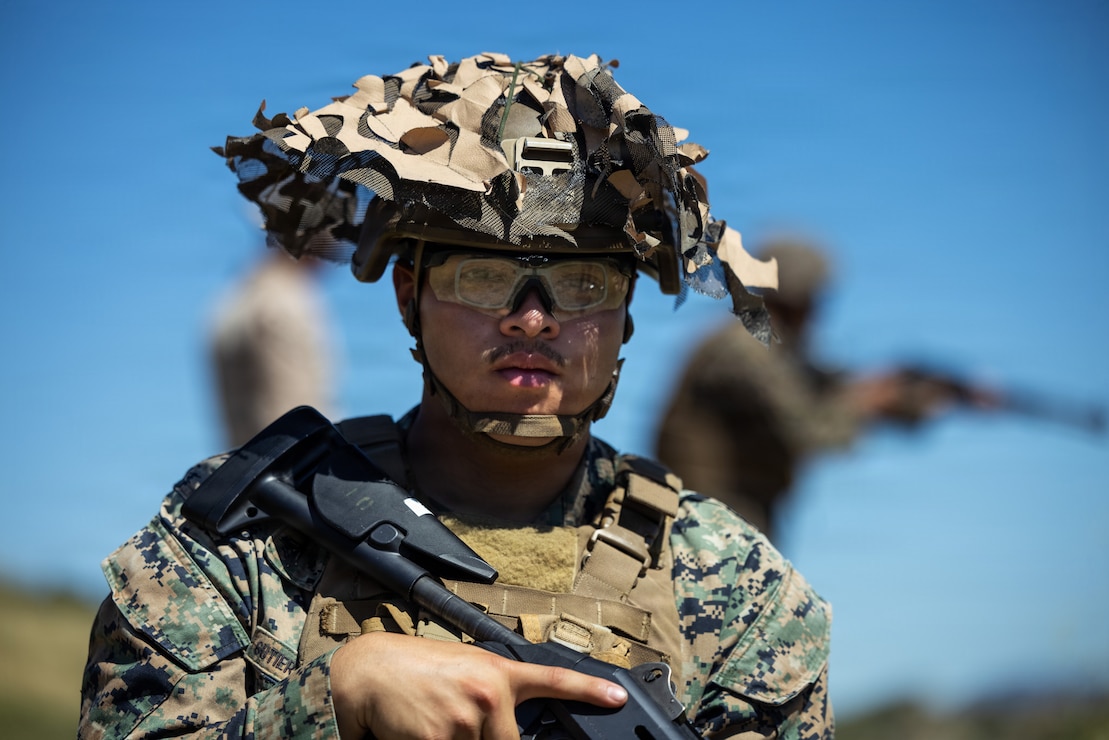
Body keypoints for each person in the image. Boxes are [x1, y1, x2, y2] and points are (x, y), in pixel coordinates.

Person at [79, 53, 832, 739]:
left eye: (580, 285)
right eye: (483, 277)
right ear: (410, 296)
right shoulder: (247, 534)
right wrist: (334, 699)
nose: (532, 318)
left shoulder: (736, 586)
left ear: (623, 315)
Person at [654, 238, 958, 542]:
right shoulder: (745, 347)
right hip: (709, 519)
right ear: (801, 300)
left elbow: (826, 384)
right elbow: (810, 429)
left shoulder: (767, 345)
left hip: (727, 516)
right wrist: (869, 402)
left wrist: (905, 399)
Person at [209, 247, 336, 448]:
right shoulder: (287, 301)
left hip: (241, 465)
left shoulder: (235, 299)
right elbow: (300, 414)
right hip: (289, 464)